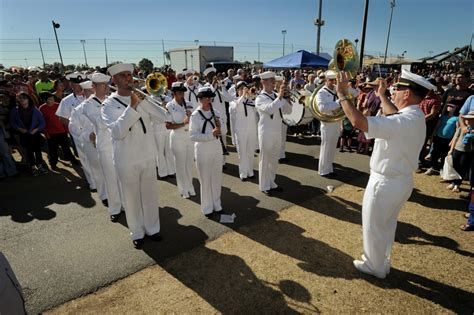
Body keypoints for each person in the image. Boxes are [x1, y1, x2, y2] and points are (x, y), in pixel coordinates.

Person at [335, 69, 433, 279]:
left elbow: (359, 122)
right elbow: (393, 115)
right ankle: (382, 261)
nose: (393, 92)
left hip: (385, 182)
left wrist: (342, 94)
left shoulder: (402, 121)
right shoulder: (415, 116)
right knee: (387, 225)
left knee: (373, 226)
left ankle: (374, 266)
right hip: (401, 181)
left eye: (396, 89)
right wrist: (381, 95)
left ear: (406, 94)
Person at [102, 63, 168, 249]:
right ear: (114, 79)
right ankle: (137, 232)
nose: (128, 79)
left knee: (150, 196)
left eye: (130, 75)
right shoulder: (108, 105)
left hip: (147, 155)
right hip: (126, 159)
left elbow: (163, 117)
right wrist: (132, 106)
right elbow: (117, 132)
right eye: (123, 75)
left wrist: (144, 100)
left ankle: (153, 228)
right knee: (131, 199)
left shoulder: (142, 98)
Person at [82, 73, 123, 220]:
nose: (106, 87)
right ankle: (115, 209)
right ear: (93, 87)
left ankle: (125, 204)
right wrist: (115, 116)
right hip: (105, 145)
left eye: (107, 84)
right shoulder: (87, 105)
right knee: (110, 179)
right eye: (102, 85)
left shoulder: (112, 100)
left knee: (122, 177)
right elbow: (100, 123)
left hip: (118, 143)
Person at [189, 86, 227, 217]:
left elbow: (225, 131)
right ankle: (207, 208)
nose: (209, 100)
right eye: (206, 98)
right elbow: (192, 136)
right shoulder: (195, 115)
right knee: (205, 180)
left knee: (217, 178)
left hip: (216, 148)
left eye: (210, 98)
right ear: (200, 99)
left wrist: (221, 128)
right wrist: (210, 135)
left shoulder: (216, 112)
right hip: (202, 150)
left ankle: (217, 205)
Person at [255, 71, 291, 196]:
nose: (274, 83)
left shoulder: (276, 95)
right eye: (271, 81)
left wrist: (287, 98)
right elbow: (269, 109)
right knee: (265, 159)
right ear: (263, 82)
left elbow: (288, 110)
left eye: (274, 81)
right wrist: (280, 97)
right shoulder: (260, 98)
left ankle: (272, 183)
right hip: (266, 132)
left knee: (274, 159)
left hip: (277, 131)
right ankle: (264, 185)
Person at [165, 82, 196, 198]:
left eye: (183, 92)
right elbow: (168, 126)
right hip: (177, 137)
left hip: (189, 137)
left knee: (189, 164)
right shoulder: (169, 106)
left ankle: (190, 187)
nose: (182, 94)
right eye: (179, 92)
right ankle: (183, 190)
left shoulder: (188, 104)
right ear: (174, 93)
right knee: (180, 165)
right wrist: (183, 123)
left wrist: (191, 116)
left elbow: (194, 119)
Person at [9, 92, 47, 176]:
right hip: (24, 134)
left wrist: (36, 129)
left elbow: (42, 123)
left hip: (35, 134)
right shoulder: (14, 110)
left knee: (37, 150)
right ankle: (33, 167)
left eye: (24, 98)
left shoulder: (35, 109)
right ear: (18, 100)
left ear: (28, 99)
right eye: (20, 99)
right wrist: (19, 129)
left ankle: (40, 166)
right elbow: (12, 122)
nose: (23, 100)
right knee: (28, 151)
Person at [38, 91, 77, 170]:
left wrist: (66, 129)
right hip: (51, 133)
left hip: (62, 131)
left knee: (66, 148)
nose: (52, 101)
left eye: (52, 99)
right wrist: (46, 133)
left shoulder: (58, 105)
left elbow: (64, 118)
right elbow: (43, 122)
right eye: (50, 99)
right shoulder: (42, 108)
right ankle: (53, 163)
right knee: (53, 150)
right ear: (44, 100)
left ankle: (72, 159)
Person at [229, 81, 258, 181]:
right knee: (242, 152)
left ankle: (250, 171)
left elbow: (258, 108)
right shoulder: (233, 101)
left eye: (244, 88)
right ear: (237, 91)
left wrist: (252, 95)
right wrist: (243, 96)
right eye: (241, 89)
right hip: (240, 130)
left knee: (250, 151)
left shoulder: (250, 100)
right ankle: (243, 173)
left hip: (251, 128)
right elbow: (236, 106)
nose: (243, 90)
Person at [316, 70, 340, 177]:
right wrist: (337, 103)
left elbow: (355, 92)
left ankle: (329, 168)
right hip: (327, 123)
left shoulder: (337, 90)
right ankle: (323, 170)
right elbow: (322, 108)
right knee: (326, 147)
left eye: (335, 80)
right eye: (331, 80)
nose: (333, 82)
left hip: (336, 122)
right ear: (326, 80)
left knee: (332, 147)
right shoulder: (321, 93)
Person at [446, 112, 474, 193]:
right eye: (467, 119)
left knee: (462, 168)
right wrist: (451, 150)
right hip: (457, 149)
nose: (468, 121)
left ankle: (457, 184)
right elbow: (455, 138)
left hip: (467, 152)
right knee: (455, 166)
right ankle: (453, 182)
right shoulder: (461, 128)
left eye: (471, 119)